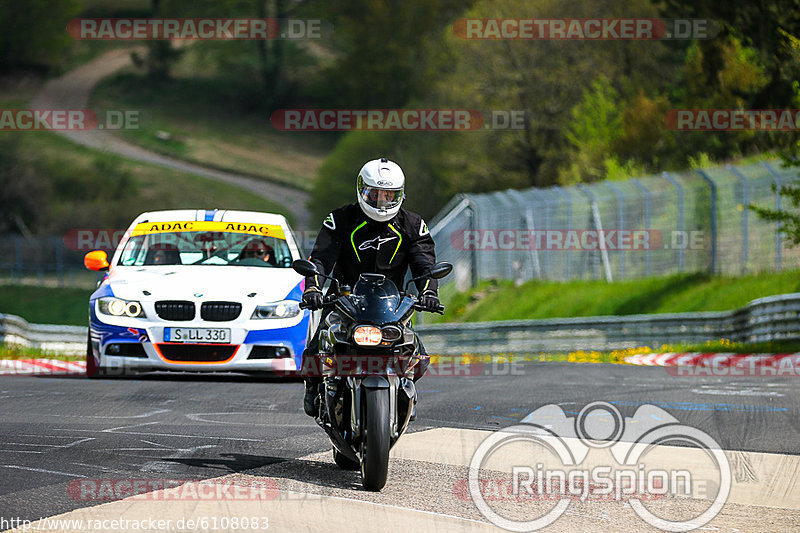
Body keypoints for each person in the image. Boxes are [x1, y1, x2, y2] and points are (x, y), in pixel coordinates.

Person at [301, 157, 440, 416]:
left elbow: (425, 265)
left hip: (393, 304)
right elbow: (320, 259)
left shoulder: (412, 225)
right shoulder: (340, 219)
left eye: (388, 195)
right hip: (345, 298)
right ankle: (313, 386)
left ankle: (405, 388)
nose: (381, 201)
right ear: (361, 189)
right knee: (316, 345)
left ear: (400, 194)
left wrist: (429, 292)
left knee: (418, 354)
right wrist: (313, 289)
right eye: (374, 194)